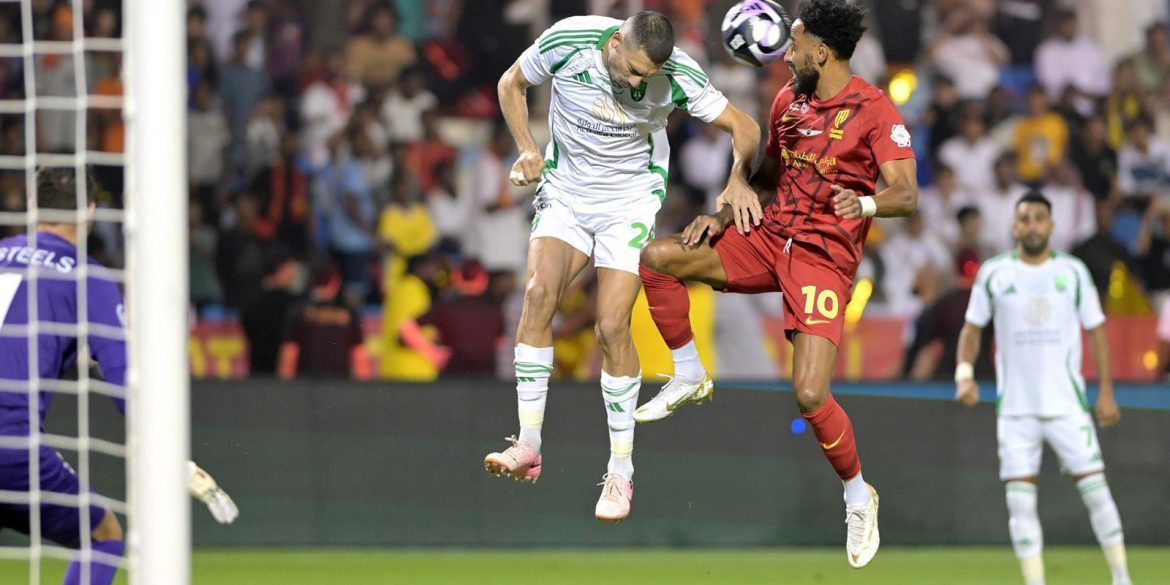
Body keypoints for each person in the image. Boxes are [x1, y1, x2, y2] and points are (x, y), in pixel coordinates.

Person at [634, 0, 917, 567]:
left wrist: (863, 203)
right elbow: (765, 177)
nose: (786, 54)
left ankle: (858, 496)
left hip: (822, 259)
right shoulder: (788, 100)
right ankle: (688, 373)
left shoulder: (875, 109)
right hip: (768, 236)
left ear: (822, 52)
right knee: (658, 259)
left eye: (795, 44)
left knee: (809, 394)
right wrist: (726, 205)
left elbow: (906, 194)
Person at [481, 10, 760, 523]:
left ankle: (620, 471)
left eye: (645, 77)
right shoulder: (570, 39)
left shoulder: (677, 73)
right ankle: (528, 444)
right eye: (631, 70)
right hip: (566, 192)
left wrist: (738, 178)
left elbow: (745, 127)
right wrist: (527, 147)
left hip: (628, 200)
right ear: (614, 43)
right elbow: (511, 83)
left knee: (611, 326)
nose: (635, 83)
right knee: (538, 296)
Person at [0, 169, 237, 585]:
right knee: (103, 534)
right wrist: (170, 455)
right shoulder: (87, 277)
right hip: (11, 445)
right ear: (90, 210)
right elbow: (126, 380)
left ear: (33, 206)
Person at [955, 191, 1132, 585]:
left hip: (1067, 405)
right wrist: (964, 373)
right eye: (1025, 219)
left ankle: (1122, 579)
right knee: (1020, 504)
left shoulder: (1072, 272)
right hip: (1015, 411)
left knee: (1097, 493)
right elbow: (972, 328)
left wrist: (1105, 392)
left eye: (1039, 218)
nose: (1032, 225)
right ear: (1014, 226)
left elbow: (1097, 332)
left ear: (1051, 225)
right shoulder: (995, 273)